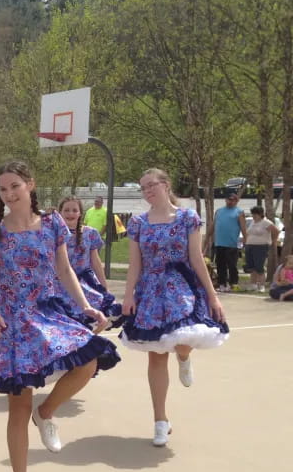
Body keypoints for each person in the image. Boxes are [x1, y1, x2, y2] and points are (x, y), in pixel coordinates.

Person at [0, 160, 119, 472]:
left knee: (89, 358)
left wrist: (86, 306)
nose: (8, 194)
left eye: (14, 187)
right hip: (11, 323)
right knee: (17, 409)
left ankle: (48, 412)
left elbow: (64, 269)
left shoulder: (52, 223)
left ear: (30, 185)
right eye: (3, 189)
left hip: (47, 311)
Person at [120, 168, 228, 447]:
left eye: (151, 185)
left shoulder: (187, 218)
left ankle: (184, 357)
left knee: (183, 339)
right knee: (156, 355)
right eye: (142, 188)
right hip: (150, 291)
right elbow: (135, 263)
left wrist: (213, 295)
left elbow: (196, 258)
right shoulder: (138, 223)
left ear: (166, 185)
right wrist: (128, 295)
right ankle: (160, 420)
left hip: (181, 286)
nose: (147, 191)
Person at [57, 196, 123, 327]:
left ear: (80, 213)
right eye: (66, 210)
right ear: (60, 213)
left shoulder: (90, 233)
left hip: (86, 283)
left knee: (92, 322)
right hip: (61, 285)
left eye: (74, 210)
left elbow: (96, 262)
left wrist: (104, 288)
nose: (71, 213)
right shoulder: (53, 234)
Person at [212, 193, 247, 291]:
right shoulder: (219, 211)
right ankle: (222, 284)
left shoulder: (239, 212)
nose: (230, 202)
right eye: (229, 199)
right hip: (219, 243)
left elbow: (243, 228)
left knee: (232, 265)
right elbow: (213, 225)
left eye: (233, 200)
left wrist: (245, 239)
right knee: (220, 265)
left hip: (231, 243)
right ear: (225, 200)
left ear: (236, 201)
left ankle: (233, 283)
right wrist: (207, 239)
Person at [243, 206, 280, 293]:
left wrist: (274, 241)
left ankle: (262, 285)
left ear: (261, 214)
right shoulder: (252, 222)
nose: (254, 216)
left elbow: (276, 231)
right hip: (249, 246)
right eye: (253, 214)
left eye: (256, 214)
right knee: (252, 267)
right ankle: (253, 285)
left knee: (259, 266)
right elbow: (248, 233)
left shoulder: (266, 222)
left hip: (261, 247)